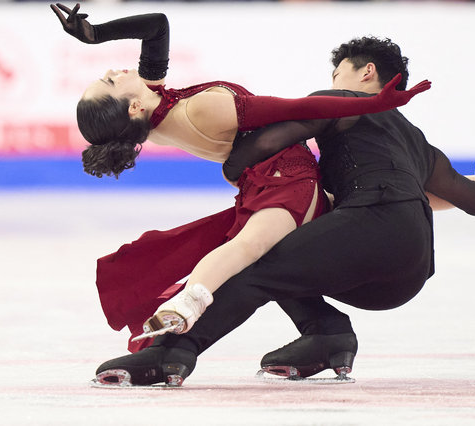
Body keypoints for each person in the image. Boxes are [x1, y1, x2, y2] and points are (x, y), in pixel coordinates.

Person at [92, 35, 475, 387]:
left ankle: (173, 352)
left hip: (370, 228)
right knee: (289, 254)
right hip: (410, 268)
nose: (334, 83)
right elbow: (467, 200)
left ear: (367, 73)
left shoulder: (343, 103)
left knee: (257, 265)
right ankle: (327, 333)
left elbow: (271, 138)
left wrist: (236, 165)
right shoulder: (415, 140)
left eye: (339, 74)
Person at [51, 3, 431, 347]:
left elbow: (157, 26)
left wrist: (95, 34)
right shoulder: (201, 110)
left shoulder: (152, 105)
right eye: (109, 81)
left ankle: (326, 333)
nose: (111, 70)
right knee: (249, 252)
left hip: (266, 178)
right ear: (133, 105)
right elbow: (295, 108)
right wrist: (372, 102)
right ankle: (186, 306)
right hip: (285, 178)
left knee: (262, 258)